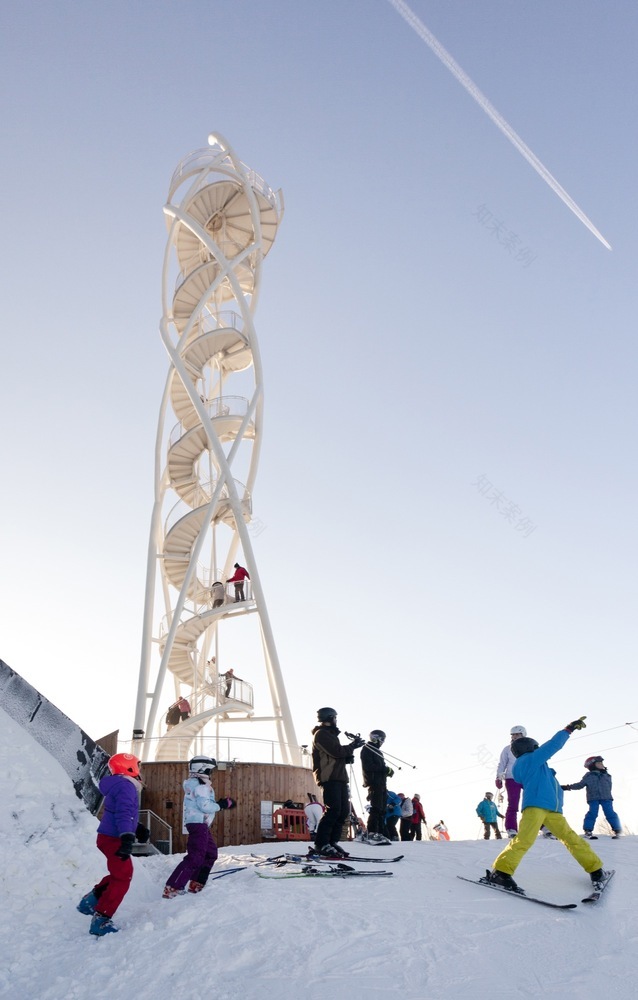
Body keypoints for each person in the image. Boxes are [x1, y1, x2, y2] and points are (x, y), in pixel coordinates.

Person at [485, 716, 608, 891]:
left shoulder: (533, 766)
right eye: (535, 747)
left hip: (552, 811)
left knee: (572, 839)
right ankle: (501, 873)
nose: (538, 749)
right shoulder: (531, 760)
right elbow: (553, 745)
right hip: (536, 807)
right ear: (529, 748)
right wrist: (568, 729)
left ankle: (596, 869)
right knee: (524, 840)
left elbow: (551, 787)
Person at [76, 753, 149, 936]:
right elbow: (124, 812)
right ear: (129, 768)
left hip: (108, 836)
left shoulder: (119, 784)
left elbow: (119, 811)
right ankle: (100, 920)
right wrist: (126, 835)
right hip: (115, 838)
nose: (140, 770)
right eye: (137, 766)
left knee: (119, 874)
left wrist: (137, 827)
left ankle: (90, 902)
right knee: (123, 878)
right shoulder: (127, 786)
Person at [163, 756, 236, 898]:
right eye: (210, 770)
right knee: (195, 857)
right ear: (202, 769)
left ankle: (196, 883)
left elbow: (203, 803)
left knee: (210, 853)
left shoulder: (196, 784)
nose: (211, 773)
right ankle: (173, 887)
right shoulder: (201, 786)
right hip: (198, 824)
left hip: (199, 824)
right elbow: (205, 806)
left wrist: (218, 802)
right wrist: (222, 805)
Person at [311, 707, 364, 858]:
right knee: (333, 810)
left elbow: (336, 755)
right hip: (329, 777)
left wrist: (348, 756)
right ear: (330, 718)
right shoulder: (321, 734)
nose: (336, 720)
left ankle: (332, 841)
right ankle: (321, 843)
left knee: (342, 812)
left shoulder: (331, 735)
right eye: (335, 717)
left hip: (339, 777)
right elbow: (335, 751)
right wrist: (352, 746)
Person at [562, 755, 622, 839]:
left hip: (606, 798)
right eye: (599, 763)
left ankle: (617, 830)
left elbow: (609, 787)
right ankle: (588, 830)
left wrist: (608, 795)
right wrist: (568, 787)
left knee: (610, 813)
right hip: (593, 798)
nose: (601, 764)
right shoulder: (589, 776)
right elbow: (580, 785)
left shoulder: (607, 775)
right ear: (592, 765)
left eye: (602, 763)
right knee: (592, 813)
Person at [360, 730, 393, 843]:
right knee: (376, 808)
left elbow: (380, 767)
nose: (383, 742)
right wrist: (384, 769)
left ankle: (380, 832)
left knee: (382, 809)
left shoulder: (377, 751)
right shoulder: (367, 749)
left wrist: (387, 771)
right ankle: (372, 832)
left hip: (381, 783)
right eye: (382, 739)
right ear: (376, 738)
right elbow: (369, 766)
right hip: (374, 783)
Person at [496, 725, 527, 837]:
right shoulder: (507, 749)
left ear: (523, 734)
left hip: (527, 777)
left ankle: (543, 826)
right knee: (513, 803)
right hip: (511, 777)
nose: (514, 736)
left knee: (534, 801)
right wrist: (498, 777)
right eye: (513, 734)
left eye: (517, 734)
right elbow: (502, 764)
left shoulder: (529, 747)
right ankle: (511, 828)